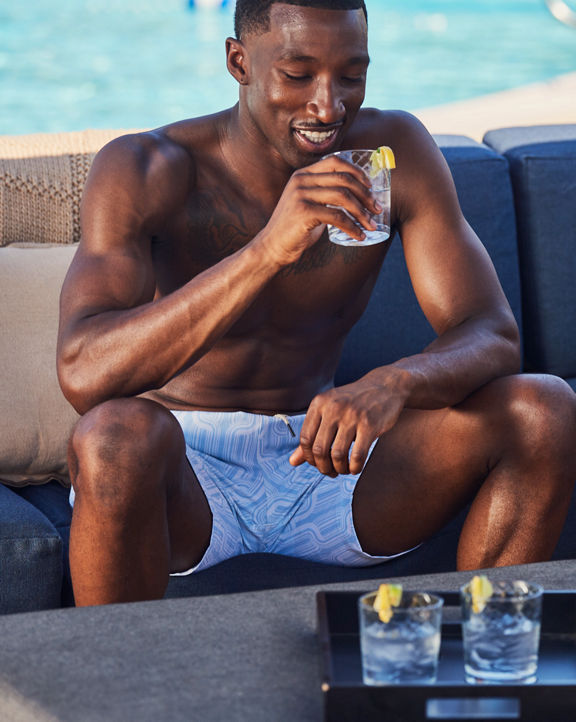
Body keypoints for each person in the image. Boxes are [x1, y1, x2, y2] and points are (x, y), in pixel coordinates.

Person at [57, 0, 576, 607]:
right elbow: (84, 373)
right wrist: (267, 251)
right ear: (239, 61)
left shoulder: (391, 153)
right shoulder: (147, 168)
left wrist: (394, 383)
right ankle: (116, 694)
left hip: (330, 460)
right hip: (188, 473)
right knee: (112, 437)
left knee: (544, 410)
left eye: (351, 75)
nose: (329, 106)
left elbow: (491, 333)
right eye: (298, 75)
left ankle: (482, 664)